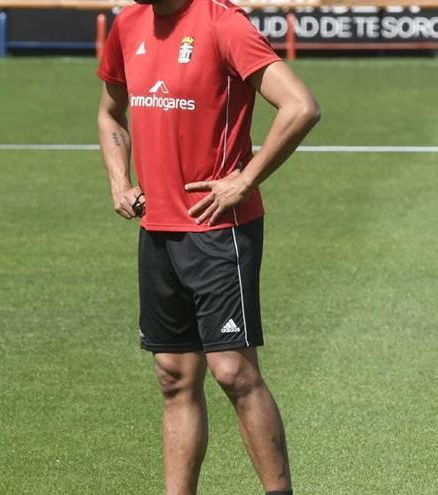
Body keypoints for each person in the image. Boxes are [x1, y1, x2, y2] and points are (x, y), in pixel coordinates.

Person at [95, 0, 320, 493]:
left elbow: (301, 106)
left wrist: (244, 179)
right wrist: (119, 182)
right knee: (173, 376)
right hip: (156, 231)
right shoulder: (128, 23)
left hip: (219, 229)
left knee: (233, 371)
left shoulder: (223, 23)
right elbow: (112, 112)